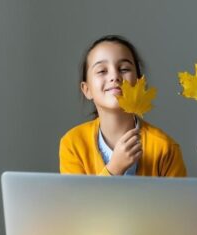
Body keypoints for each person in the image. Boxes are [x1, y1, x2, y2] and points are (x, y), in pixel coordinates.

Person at [60, 35, 187, 177]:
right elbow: (77, 199)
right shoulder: (73, 143)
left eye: (124, 69)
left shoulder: (166, 148)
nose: (114, 76)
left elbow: (178, 200)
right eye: (102, 71)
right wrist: (114, 169)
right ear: (86, 89)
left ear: (139, 83)